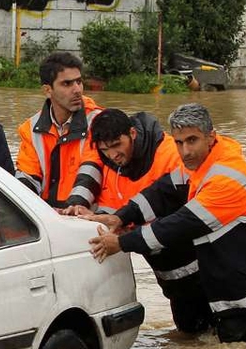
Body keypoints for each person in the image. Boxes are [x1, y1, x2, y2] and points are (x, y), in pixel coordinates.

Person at [86, 103, 246, 348]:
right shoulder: (199, 165)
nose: (185, 151)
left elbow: (180, 225)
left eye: (192, 140)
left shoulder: (225, 177)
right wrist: (121, 216)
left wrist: (120, 243)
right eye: (179, 142)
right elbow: (163, 191)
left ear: (211, 137)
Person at [78, 108, 213, 334]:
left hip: (204, 266)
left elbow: (182, 215)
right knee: (190, 337)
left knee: (225, 335)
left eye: (116, 145)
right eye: (105, 150)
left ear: (132, 133)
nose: (113, 155)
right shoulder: (113, 166)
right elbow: (120, 205)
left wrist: (123, 240)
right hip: (169, 272)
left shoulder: (172, 154)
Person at [16, 51, 104, 207]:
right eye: (67, 84)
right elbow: (28, 177)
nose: (77, 89)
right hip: (46, 214)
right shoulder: (30, 128)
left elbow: (92, 170)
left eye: (79, 81)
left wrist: (73, 208)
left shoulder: (98, 121)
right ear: (47, 90)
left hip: (86, 215)